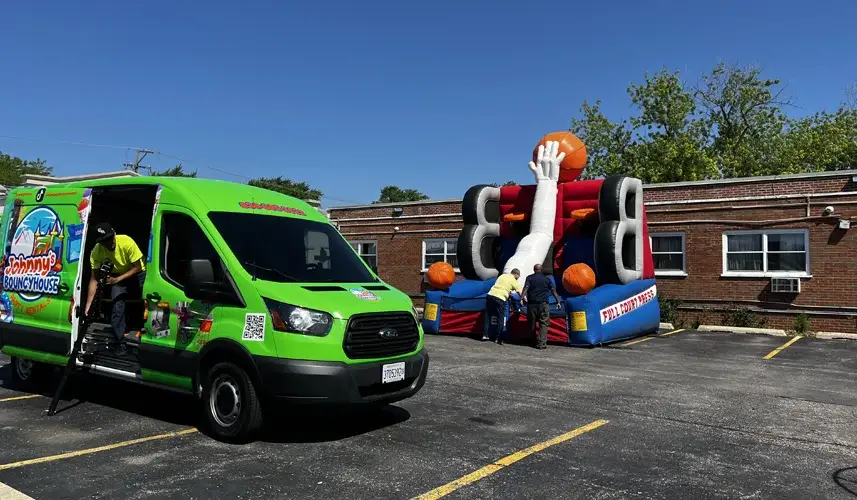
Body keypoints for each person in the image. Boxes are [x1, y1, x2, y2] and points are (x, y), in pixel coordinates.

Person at [85, 223, 146, 347]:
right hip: (117, 274)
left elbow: (138, 267)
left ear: (114, 234)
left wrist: (117, 279)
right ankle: (120, 340)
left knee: (147, 297)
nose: (108, 243)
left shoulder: (126, 242)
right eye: (104, 241)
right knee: (117, 302)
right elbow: (94, 279)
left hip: (137, 272)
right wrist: (88, 304)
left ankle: (144, 329)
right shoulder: (96, 251)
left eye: (110, 238)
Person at [521, 264, 562, 350]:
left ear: (534, 269)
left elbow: (526, 287)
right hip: (543, 304)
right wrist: (558, 301)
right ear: (541, 269)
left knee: (531, 323)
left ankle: (532, 341)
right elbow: (553, 290)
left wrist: (522, 298)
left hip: (531, 304)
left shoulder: (529, 278)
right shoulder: (546, 279)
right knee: (543, 323)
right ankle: (541, 344)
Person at [484, 268, 522, 345]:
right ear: (516, 274)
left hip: (490, 295)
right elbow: (520, 292)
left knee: (487, 315)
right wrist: (524, 299)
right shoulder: (513, 281)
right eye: (519, 276)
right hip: (500, 298)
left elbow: (501, 285)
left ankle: (485, 335)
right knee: (501, 318)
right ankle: (498, 338)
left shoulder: (502, 276)